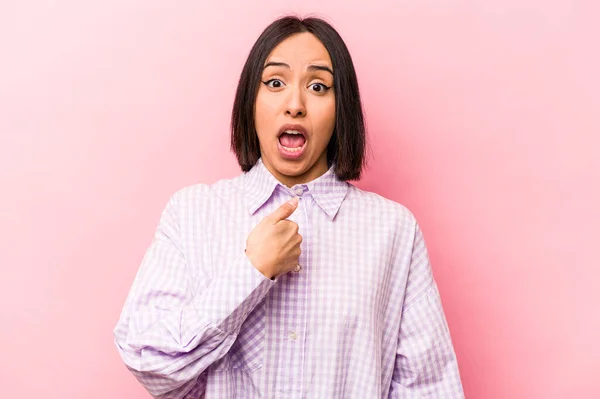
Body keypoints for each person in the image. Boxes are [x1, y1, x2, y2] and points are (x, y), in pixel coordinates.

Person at [113, 15, 464, 399]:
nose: (295, 104)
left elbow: (429, 389)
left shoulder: (392, 230)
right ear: (251, 100)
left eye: (318, 86)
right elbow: (151, 361)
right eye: (275, 83)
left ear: (340, 108)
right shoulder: (193, 214)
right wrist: (251, 272)